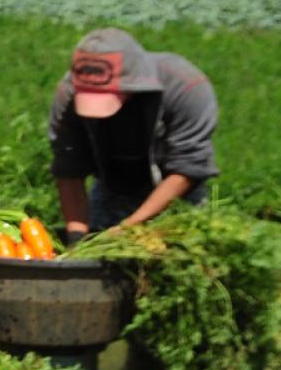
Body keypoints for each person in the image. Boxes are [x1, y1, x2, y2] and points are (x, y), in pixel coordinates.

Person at [47, 28, 219, 242]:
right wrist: (76, 236)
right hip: (112, 190)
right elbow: (68, 166)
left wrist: (128, 227)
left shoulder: (185, 87)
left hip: (177, 197)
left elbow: (188, 166)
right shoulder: (68, 93)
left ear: (134, 82)